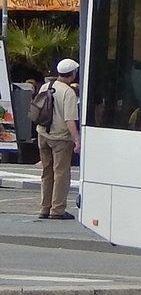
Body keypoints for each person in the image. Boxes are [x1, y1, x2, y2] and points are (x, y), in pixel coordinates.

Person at [37, 57, 81, 220]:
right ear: (73, 74)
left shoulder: (46, 86)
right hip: (61, 138)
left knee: (46, 172)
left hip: (43, 133)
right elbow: (69, 120)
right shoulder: (68, 92)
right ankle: (57, 209)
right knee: (61, 173)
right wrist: (77, 139)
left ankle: (44, 208)